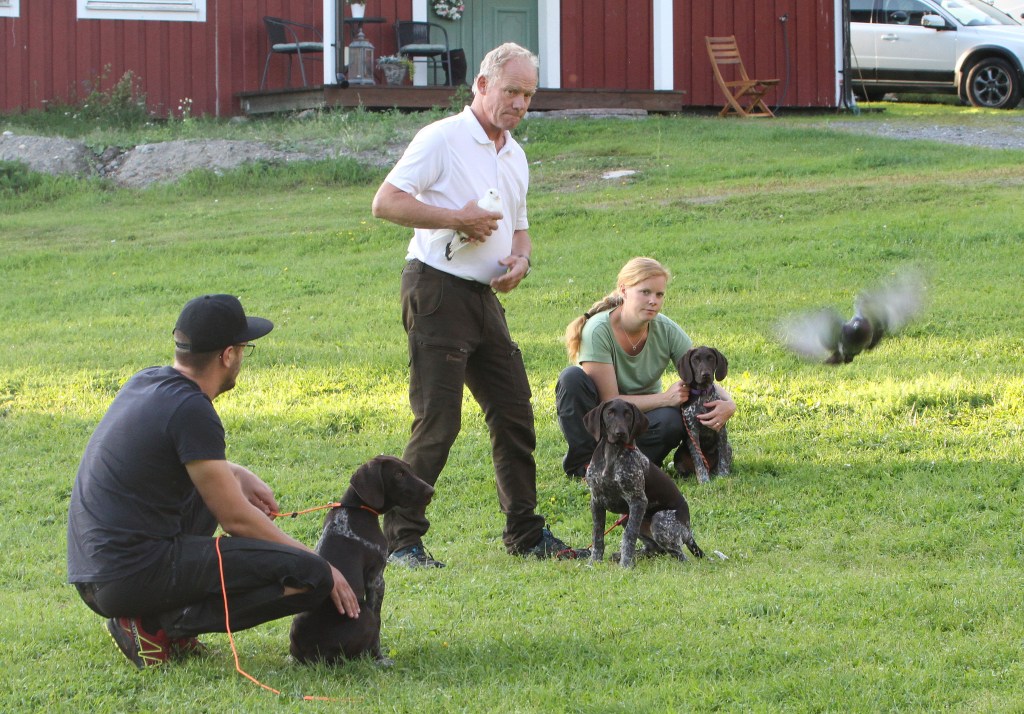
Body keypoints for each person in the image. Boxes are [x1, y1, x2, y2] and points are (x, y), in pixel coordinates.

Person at [67, 294, 360, 669]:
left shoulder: (147, 381)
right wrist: (320, 563)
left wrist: (235, 473)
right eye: (244, 349)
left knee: (215, 496)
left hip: (97, 572)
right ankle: (160, 624)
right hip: (128, 577)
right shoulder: (192, 409)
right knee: (311, 577)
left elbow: (170, 457)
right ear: (227, 355)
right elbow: (236, 520)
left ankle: (151, 615)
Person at [370, 43, 574, 567]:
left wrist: (521, 260)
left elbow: (520, 228)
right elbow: (385, 202)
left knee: (514, 412)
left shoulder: (514, 154)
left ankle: (525, 534)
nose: (521, 104)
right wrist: (455, 218)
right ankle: (402, 542)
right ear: (482, 85)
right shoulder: (441, 138)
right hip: (435, 289)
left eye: (529, 95)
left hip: (483, 298)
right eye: (512, 91)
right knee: (438, 421)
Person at [555, 257, 737, 478]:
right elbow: (609, 400)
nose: (653, 301)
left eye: (659, 294)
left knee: (671, 421)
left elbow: (699, 371)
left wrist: (729, 404)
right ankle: (586, 465)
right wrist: (664, 399)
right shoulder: (598, 330)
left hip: (640, 421)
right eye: (645, 292)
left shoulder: (666, 329)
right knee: (571, 378)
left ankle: (632, 463)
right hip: (604, 423)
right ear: (624, 290)